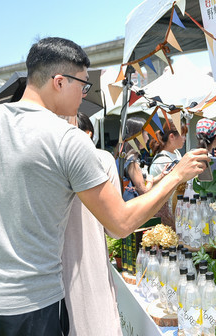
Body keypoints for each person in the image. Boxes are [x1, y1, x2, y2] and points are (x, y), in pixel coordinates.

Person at [0, 37, 208, 335]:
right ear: (59, 81)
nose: (84, 96)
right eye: (83, 85)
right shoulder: (67, 139)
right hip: (29, 308)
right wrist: (176, 176)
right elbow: (121, 223)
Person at [61, 112, 122, 336]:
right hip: (89, 272)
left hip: (42, 281)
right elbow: (117, 228)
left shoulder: (37, 158)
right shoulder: (102, 159)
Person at [148, 120, 187, 228]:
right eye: (183, 135)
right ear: (172, 137)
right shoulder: (163, 160)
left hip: (176, 210)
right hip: (167, 216)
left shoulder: (176, 153)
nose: (184, 139)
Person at [119, 117, 165, 201]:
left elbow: (139, 182)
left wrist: (161, 175)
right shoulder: (132, 159)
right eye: (146, 134)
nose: (148, 138)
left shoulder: (124, 154)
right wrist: (150, 180)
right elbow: (143, 191)